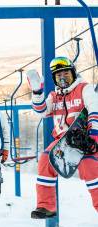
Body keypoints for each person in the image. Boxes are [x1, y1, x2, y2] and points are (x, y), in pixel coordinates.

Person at [26, 56, 98, 218]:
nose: (62, 78)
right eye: (58, 76)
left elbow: (94, 110)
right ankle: (46, 206)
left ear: (73, 73)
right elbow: (41, 111)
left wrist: (94, 136)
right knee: (46, 159)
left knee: (90, 167)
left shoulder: (84, 89)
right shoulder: (54, 95)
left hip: (85, 138)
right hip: (62, 141)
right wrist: (37, 92)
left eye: (66, 73)